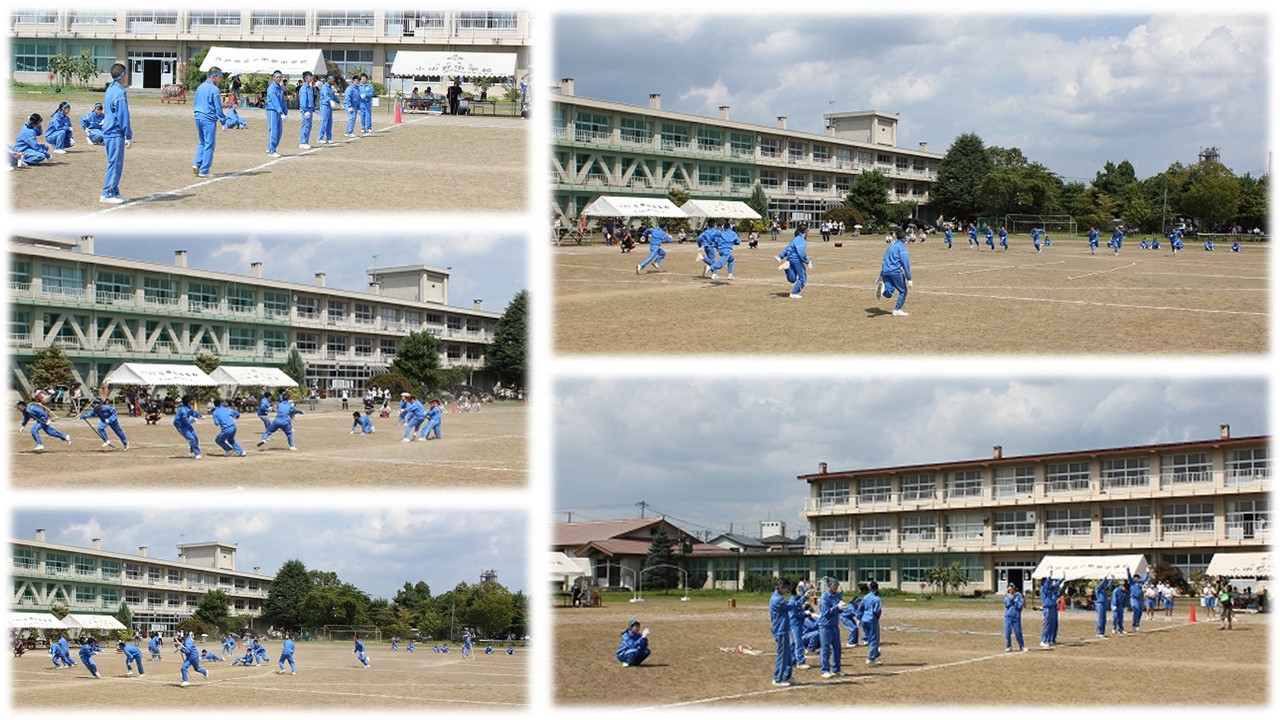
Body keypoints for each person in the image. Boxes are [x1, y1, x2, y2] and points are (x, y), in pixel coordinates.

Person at [100, 62, 132, 203]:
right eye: (126, 73)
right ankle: (107, 193)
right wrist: (128, 135)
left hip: (109, 131)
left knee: (114, 162)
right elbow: (123, 115)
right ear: (122, 75)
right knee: (115, 163)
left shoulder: (111, 89)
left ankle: (114, 190)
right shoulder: (119, 92)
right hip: (114, 132)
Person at [192, 66, 227, 177]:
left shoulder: (200, 87)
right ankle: (204, 170)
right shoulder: (215, 90)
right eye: (220, 77)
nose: (220, 79)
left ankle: (197, 164)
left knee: (202, 142)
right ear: (214, 77)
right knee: (209, 144)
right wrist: (223, 121)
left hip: (198, 116)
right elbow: (218, 107)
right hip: (208, 118)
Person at [876, 228, 913, 317]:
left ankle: (883, 289)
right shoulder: (902, 247)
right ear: (904, 238)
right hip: (895, 272)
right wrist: (909, 278)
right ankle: (897, 309)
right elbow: (905, 263)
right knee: (903, 291)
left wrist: (881, 274)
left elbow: (885, 260)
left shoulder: (891, 246)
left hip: (886, 271)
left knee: (889, 293)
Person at [769, 578, 797, 686]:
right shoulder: (777, 599)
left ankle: (787, 676)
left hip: (783, 628)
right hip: (781, 630)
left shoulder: (778, 597)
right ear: (780, 587)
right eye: (786, 588)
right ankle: (778, 678)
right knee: (783, 655)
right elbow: (790, 606)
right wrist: (796, 597)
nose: (787, 590)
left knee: (788, 654)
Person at [817, 577, 844, 679]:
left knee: (837, 647)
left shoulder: (838, 595)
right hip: (825, 625)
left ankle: (836, 669)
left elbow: (839, 609)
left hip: (834, 624)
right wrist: (837, 607)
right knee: (826, 648)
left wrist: (842, 608)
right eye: (834, 585)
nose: (836, 587)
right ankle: (825, 670)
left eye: (837, 585)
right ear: (829, 586)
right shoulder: (825, 597)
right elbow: (825, 613)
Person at [776, 225, 811, 299]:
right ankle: (794, 293)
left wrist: (781, 256)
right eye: (808, 231)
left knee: (793, 279)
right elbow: (801, 253)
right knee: (803, 277)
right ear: (805, 231)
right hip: (796, 259)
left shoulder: (794, 239)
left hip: (790, 259)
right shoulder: (801, 240)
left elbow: (788, 248)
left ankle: (787, 269)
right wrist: (807, 262)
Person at [170, 395, 204, 459]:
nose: (193, 401)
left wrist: (200, 416)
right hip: (181, 426)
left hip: (186, 425)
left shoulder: (188, 407)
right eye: (192, 400)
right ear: (188, 402)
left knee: (195, 437)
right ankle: (197, 453)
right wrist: (194, 420)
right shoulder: (183, 411)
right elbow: (187, 422)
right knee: (191, 438)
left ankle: (192, 451)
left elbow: (193, 412)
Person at [264, 70, 288, 157]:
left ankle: (270, 147)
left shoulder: (280, 88)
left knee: (279, 132)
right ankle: (272, 151)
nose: (279, 79)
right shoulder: (271, 88)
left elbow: (282, 101)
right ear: (273, 78)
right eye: (277, 77)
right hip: (272, 111)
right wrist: (281, 112)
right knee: (273, 130)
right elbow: (275, 101)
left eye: (280, 77)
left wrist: (285, 112)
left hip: (279, 112)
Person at [860, 581, 883, 665]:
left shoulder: (865, 597)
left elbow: (860, 608)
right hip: (872, 619)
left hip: (864, 619)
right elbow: (877, 610)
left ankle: (876, 655)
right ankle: (870, 658)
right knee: (874, 639)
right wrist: (876, 617)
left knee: (869, 638)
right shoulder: (877, 599)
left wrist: (860, 617)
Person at [1039, 572, 1064, 647]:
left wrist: (1062, 579)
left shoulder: (1051, 589)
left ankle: (1051, 639)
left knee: (1054, 624)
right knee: (1047, 624)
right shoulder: (1044, 589)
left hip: (1053, 607)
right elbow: (1047, 584)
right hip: (1047, 608)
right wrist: (1049, 577)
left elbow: (1056, 585)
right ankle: (1043, 640)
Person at [1003, 583, 1028, 652]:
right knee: (1007, 632)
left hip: (1016, 617)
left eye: (1011, 588)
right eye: (1009, 588)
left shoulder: (1018, 596)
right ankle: (1008, 646)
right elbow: (1007, 604)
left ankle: (1022, 646)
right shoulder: (1007, 596)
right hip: (1008, 617)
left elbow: (1020, 606)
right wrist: (1010, 599)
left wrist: (1015, 600)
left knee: (1018, 632)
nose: (1010, 590)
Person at [297, 71, 316, 149]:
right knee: (305, 125)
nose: (312, 78)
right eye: (310, 77)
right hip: (306, 109)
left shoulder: (309, 87)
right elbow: (303, 100)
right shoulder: (304, 88)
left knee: (309, 125)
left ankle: (306, 141)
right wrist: (305, 110)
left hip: (310, 108)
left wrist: (313, 108)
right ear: (306, 78)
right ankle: (302, 142)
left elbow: (310, 99)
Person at [317, 74, 337, 144]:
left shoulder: (330, 87)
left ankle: (329, 138)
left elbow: (333, 96)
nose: (333, 80)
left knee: (329, 122)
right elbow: (326, 95)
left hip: (329, 106)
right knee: (324, 121)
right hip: (325, 106)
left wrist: (339, 102)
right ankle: (320, 138)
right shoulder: (324, 87)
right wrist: (330, 101)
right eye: (332, 79)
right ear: (329, 79)